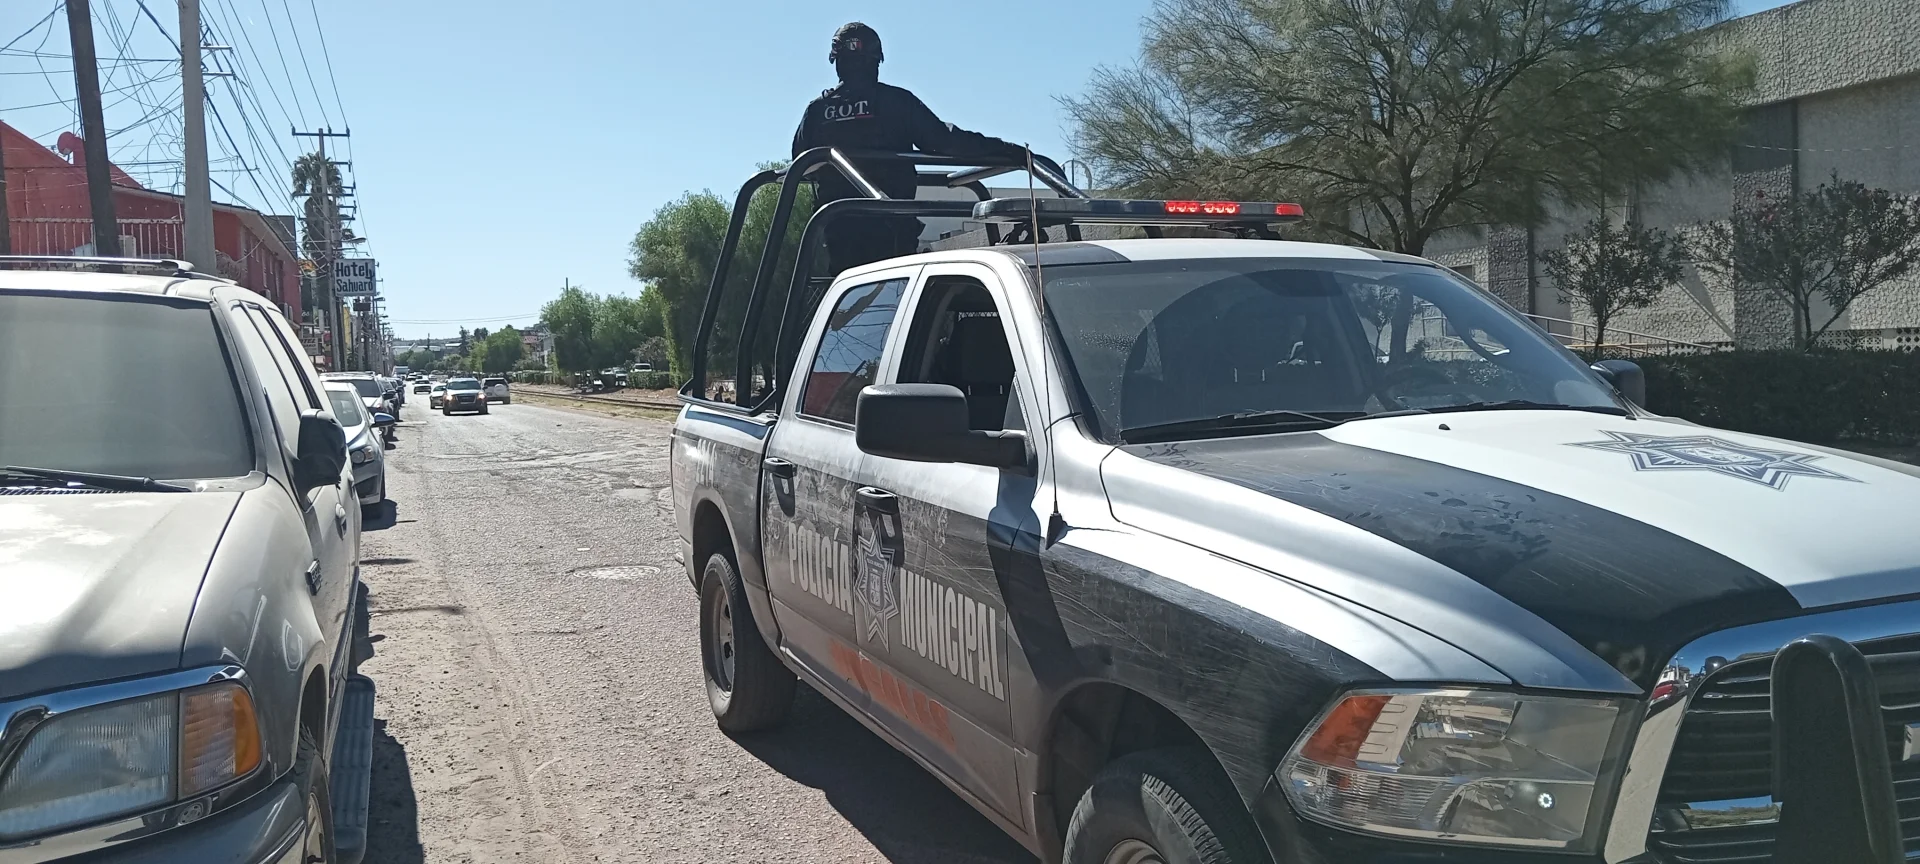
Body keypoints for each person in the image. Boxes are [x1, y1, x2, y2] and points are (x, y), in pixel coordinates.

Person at [792, 22, 1030, 274]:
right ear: (876, 60)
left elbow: (801, 162)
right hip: (891, 229)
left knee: (849, 297)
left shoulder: (818, 111)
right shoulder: (896, 103)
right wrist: (1006, 151)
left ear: (836, 61)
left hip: (839, 231)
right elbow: (944, 141)